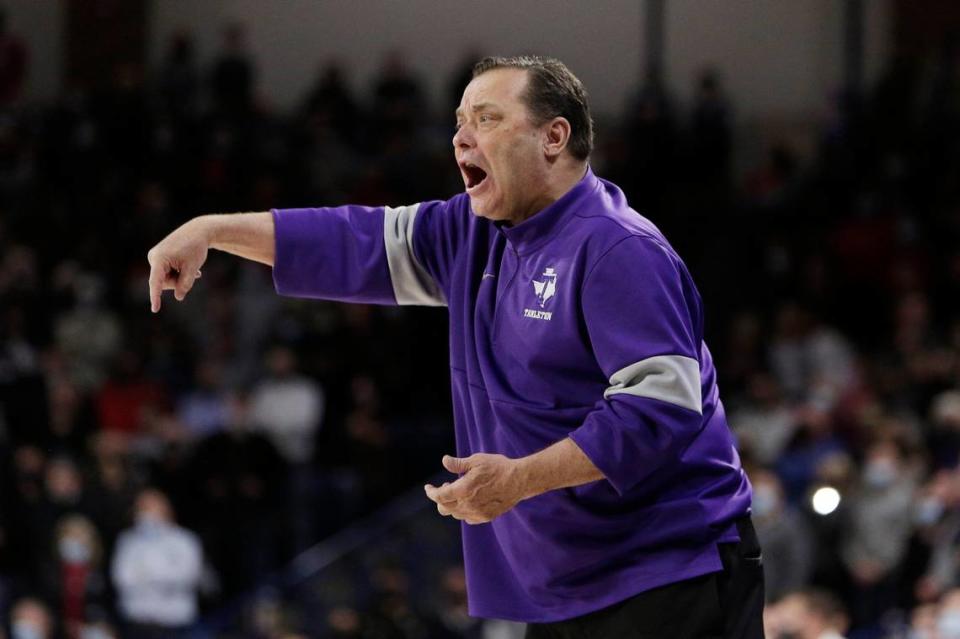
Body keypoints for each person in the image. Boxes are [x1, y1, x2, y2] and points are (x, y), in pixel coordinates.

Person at [147, 55, 762, 637]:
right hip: (569, 584)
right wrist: (214, 230)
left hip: (671, 569)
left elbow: (660, 409)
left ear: (553, 137)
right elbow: (349, 241)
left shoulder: (618, 248)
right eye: (459, 122)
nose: (461, 138)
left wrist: (520, 480)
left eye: (487, 119)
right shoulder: (471, 232)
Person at [110, 489, 204, 638]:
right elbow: (122, 578)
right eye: (142, 507)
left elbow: (187, 576)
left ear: (165, 508)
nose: (147, 511)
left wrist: (146, 574)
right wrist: (160, 574)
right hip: (137, 619)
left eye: (152, 506)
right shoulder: (127, 540)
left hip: (174, 621)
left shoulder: (185, 540)